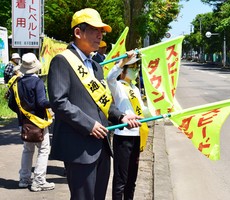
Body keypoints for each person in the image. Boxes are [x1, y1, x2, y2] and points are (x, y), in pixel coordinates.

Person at [47, 8, 141, 200]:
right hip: (79, 147)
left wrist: (122, 116)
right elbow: (59, 102)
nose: (100, 35)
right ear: (78, 32)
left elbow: (103, 102)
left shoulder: (96, 66)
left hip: (102, 147)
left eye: (102, 31)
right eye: (94, 30)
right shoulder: (62, 61)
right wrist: (89, 124)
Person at [8, 52, 55, 192]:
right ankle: (39, 181)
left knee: (28, 150)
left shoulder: (18, 82)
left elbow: (11, 104)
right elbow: (41, 102)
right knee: (44, 149)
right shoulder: (37, 82)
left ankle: (24, 179)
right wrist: (54, 103)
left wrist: (22, 115)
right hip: (38, 122)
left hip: (24, 123)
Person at [107, 55, 151, 200]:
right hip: (123, 136)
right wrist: (122, 62)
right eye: (132, 68)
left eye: (137, 68)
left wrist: (160, 111)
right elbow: (109, 78)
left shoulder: (135, 88)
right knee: (121, 179)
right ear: (123, 71)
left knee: (132, 179)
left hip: (137, 135)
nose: (136, 71)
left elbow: (143, 110)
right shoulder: (118, 86)